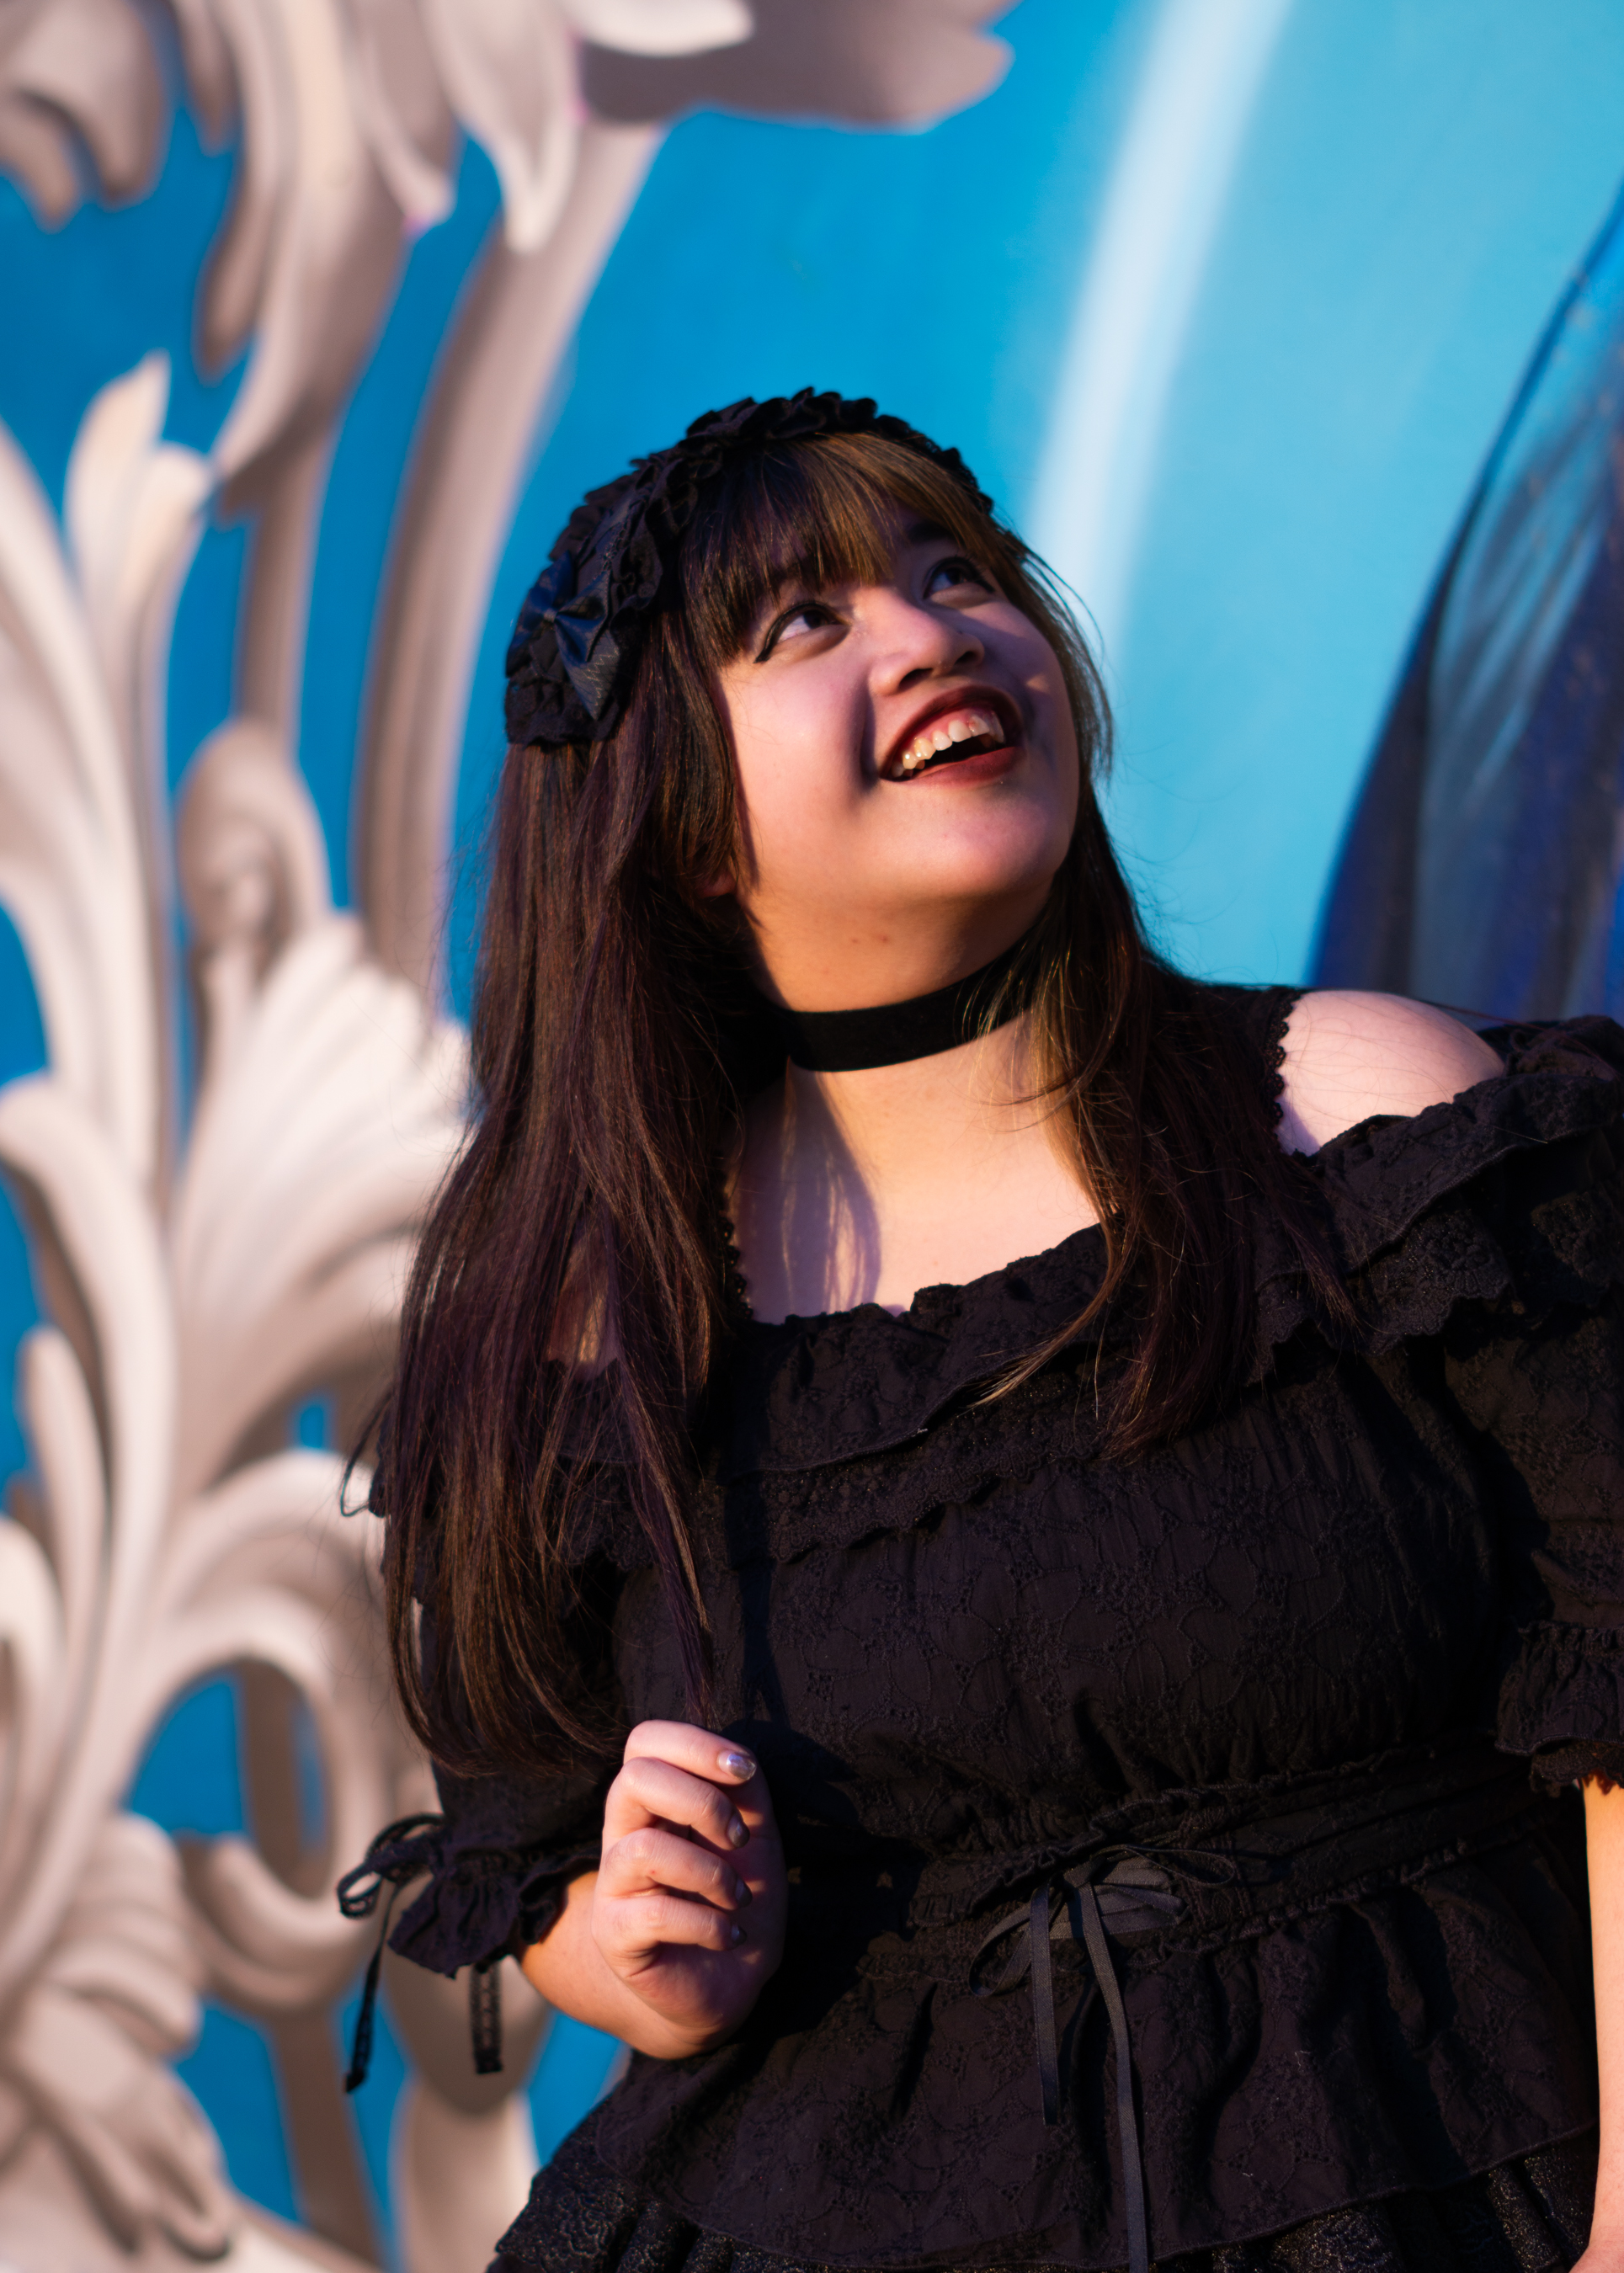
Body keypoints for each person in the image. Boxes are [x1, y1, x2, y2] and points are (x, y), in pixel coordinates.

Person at [339, 391, 1624, 2273]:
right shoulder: (589, 1344)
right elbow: (526, 1847)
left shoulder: (1360, 1122)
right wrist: (630, 1953)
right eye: (804, 625)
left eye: (960, 572)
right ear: (677, 833)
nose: (933, 631)